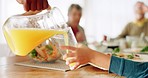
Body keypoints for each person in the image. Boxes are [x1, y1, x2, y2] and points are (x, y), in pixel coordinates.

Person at [17, 0, 148, 77]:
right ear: (68, 15)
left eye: (79, 15)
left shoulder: (81, 30)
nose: (77, 17)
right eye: (74, 14)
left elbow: (83, 47)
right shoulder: (59, 29)